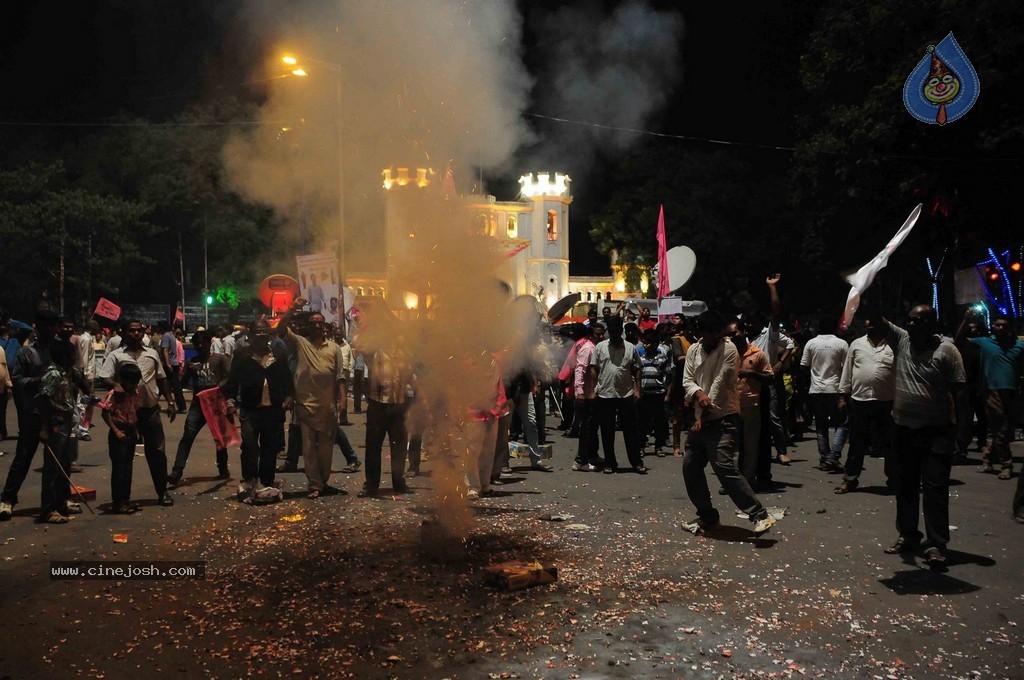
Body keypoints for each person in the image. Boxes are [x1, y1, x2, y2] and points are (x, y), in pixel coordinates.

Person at [881, 305, 965, 565]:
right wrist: (869, 277)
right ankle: (908, 536)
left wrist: (961, 431)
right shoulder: (902, 340)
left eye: (918, 320)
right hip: (904, 428)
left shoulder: (948, 351)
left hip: (937, 431)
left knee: (935, 489)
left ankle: (936, 544)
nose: (912, 324)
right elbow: (876, 315)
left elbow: (960, 392)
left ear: (932, 324)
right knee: (905, 486)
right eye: (909, 320)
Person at [681, 310, 777, 535]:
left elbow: (719, 384)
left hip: (723, 416)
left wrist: (703, 414)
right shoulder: (694, 350)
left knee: (724, 467)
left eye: (717, 332)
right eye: (708, 332)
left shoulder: (729, 349)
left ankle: (759, 514)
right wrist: (697, 395)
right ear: (701, 332)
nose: (714, 336)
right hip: (700, 416)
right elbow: (687, 380)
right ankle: (707, 517)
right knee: (691, 467)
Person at [97, 319, 177, 507]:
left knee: (157, 453)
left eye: (139, 331)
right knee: (124, 458)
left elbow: (161, 379)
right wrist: (116, 385)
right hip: (125, 416)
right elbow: (103, 377)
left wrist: (170, 401)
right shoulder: (116, 356)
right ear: (124, 333)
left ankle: (162, 492)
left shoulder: (152, 354)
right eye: (131, 331)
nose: (136, 334)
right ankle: (123, 499)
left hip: (150, 411)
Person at [278, 300, 346, 499]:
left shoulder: (334, 349)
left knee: (326, 449)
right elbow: (281, 328)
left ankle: (322, 482)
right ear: (307, 326)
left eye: (320, 323)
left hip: (327, 407)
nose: (317, 326)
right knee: (308, 449)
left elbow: (340, 376)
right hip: (305, 405)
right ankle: (315, 484)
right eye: (313, 323)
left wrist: (343, 401)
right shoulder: (300, 343)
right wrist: (292, 307)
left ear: (325, 327)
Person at [222, 318, 295, 501]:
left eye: (264, 332)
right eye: (257, 332)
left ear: (269, 334)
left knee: (270, 448)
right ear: (250, 335)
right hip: (250, 409)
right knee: (250, 446)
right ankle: (250, 479)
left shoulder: (278, 354)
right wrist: (230, 403)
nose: (261, 335)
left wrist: (289, 397)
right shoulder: (242, 355)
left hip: (273, 409)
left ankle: (267, 481)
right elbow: (233, 381)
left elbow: (287, 378)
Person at [0, 311, 62, 521]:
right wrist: (38, 381)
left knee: (57, 462)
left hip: (56, 412)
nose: (51, 330)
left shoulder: (60, 349)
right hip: (32, 413)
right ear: (37, 327)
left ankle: (58, 501)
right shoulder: (26, 353)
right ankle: (8, 499)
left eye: (54, 326)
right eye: (46, 325)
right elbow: (17, 380)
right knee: (23, 458)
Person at [834, 314, 896, 494]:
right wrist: (842, 397)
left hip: (886, 401)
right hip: (859, 400)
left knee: (890, 444)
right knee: (856, 443)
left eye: (874, 325)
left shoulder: (893, 345)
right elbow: (848, 371)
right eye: (868, 326)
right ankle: (850, 480)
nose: (870, 328)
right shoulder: (857, 344)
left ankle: (894, 480)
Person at [960, 314, 1024, 479]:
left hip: (1012, 392)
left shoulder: (1018, 346)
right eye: (997, 325)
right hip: (992, 391)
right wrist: (966, 321)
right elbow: (959, 339)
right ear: (992, 327)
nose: (1001, 328)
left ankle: (988, 457)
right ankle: (1006, 464)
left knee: (1007, 431)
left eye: (1004, 325)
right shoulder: (986, 342)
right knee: (1001, 429)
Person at [168, 330, 232, 486]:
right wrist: (189, 371)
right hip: (198, 404)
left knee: (220, 438)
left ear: (210, 344)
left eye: (204, 343)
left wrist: (219, 386)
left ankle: (223, 468)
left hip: (216, 403)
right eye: (198, 344)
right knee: (187, 436)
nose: (201, 346)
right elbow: (182, 384)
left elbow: (231, 377)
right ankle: (177, 471)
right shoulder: (193, 362)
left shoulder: (219, 359)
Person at [36, 340, 86, 524]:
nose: (75, 357)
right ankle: (48, 509)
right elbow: (43, 400)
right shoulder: (53, 374)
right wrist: (45, 427)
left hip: (66, 421)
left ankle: (61, 501)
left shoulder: (67, 373)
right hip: (55, 423)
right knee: (52, 468)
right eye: (73, 354)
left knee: (64, 464)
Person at [589, 316, 646, 474]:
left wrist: (637, 390)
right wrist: (593, 390)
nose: (614, 334)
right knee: (607, 431)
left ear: (620, 331)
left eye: (616, 331)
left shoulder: (630, 348)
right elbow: (593, 368)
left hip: (625, 394)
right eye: (611, 331)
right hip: (605, 394)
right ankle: (610, 463)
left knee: (631, 430)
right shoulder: (600, 347)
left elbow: (637, 368)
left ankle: (636, 462)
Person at [359, 332, 413, 497]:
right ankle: (371, 486)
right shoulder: (375, 352)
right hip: (378, 405)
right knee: (373, 446)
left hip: (399, 406)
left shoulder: (406, 354)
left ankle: (399, 483)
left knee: (399, 447)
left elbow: (411, 377)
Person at [750, 275, 795, 465]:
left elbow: (776, 311)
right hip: (748, 383)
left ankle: (781, 450)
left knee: (773, 417)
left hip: (768, 381)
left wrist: (772, 288)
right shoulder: (742, 340)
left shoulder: (768, 334)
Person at [725, 320, 774, 488]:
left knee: (751, 445)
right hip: (730, 406)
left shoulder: (758, 354)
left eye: (734, 333)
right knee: (730, 446)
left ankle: (747, 480)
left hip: (751, 406)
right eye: (729, 335)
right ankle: (731, 481)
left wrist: (751, 373)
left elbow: (770, 377)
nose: (732, 337)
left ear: (743, 331)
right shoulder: (727, 354)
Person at [800, 317, 849, 470]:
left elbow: (804, 366)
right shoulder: (841, 344)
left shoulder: (811, 343)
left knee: (821, 425)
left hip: (816, 390)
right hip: (835, 389)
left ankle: (825, 458)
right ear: (835, 328)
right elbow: (847, 368)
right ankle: (833, 455)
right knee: (842, 423)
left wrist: (812, 380)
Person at [100, 363, 143, 514]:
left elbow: (134, 412)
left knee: (128, 467)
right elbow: (105, 413)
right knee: (119, 469)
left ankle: (126, 499)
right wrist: (116, 431)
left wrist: (137, 432)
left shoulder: (134, 393)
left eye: (136, 383)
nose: (134, 386)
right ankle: (117, 502)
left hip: (130, 430)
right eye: (131, 383)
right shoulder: (114, 394)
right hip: (119, 431)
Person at [571, 323, 601, 471]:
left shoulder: (596, 348)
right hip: (586, 395)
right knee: (587, 428)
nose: (601, 337)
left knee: (592, 427)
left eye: (602, 334)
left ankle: (591, 456)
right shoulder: (588, 349)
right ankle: (581, 460)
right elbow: (580, 369)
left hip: (594, 394)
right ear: (590, 335)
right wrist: (579, 392)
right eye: (598, 334)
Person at [638, 328, 671, 457]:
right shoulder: (640, 358)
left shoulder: (662, 358)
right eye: (644, 343)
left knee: (659, 422)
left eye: (649, 343)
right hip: (644, 394)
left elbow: (668, 377)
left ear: (655, 344)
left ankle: (659, 446)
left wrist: (667, 395)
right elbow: (637, 376)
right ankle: (641, 446)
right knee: (642, 422)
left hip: (658, 394)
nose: (646, 346)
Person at [159, 322, 187, 413]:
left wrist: (167, 363)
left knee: (163, 383)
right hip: (174, 363)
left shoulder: (166, 336)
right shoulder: (172, 336)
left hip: (169, 363)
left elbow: (165, 350)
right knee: (174, 385)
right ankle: (181, 406)